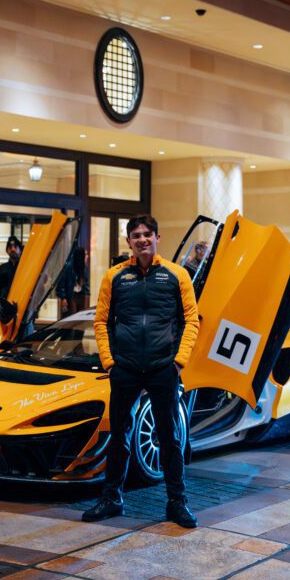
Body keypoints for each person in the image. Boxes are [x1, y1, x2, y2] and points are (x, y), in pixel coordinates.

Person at [82, 215, 200, 528]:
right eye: (136, 235)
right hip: (126, 368)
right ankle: (112, 498)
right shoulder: (114, 277)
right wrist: (110, 362)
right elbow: (101, 322)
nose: (142, 239)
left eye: (147, 234)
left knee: (169, 437)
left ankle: (177, 503)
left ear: (158, 237)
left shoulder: (177, 275)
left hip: (164, 367)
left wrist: (178, 361)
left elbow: (192, 320)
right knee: (119, 435)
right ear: (129, 242)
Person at [57, 247, 90, 318]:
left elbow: (86, 284)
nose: (87, 256)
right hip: (71, 296)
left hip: (81, 296)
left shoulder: (84, 268)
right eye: (85, 254)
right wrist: (63, 297)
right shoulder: (69, 267)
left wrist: (87, 294)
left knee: (81, 319)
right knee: (72, 317)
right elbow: (61, 284)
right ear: (80, 256)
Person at [0, 236, 23, 301]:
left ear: (20, 250)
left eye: (15, 247)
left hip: (21, 303)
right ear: (7, 251)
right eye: (10, 247)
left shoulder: (24, 268)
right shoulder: (2, 268)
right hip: (5, 305)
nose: (13, 249)